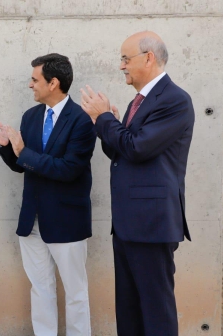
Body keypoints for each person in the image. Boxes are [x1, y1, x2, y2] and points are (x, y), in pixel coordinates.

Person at [80, 31, 195, 335]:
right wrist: (107, 125)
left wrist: (105, 119)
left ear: (148, 58)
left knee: (156, 311)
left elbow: (138, 148)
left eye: (125, 59)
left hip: (152, 224)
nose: (121, 66)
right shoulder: (138, 102)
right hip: (129, 224)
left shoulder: (174, 100)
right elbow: (121, 152)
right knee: (129, 311)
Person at [0, 53, 96, 335]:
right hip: (32, 220)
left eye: (35, 79)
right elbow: (23, 166)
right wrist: (6, 149)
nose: (30, 85)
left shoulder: (82, 120)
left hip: (67, 220)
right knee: (41, 289)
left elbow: (69, 169)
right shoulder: (31, 116)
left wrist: (23, 152)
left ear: (53, 83)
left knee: (75, 292)